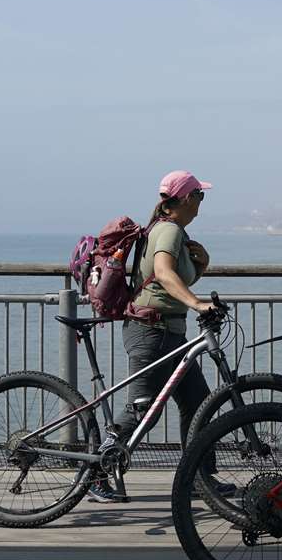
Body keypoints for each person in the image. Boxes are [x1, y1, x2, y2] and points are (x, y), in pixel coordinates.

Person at [87, 170, 234, 504]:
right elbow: (165, 275)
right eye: (199, 195)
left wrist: (201, 267)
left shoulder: (169, 230)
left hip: (169, 332)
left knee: (198, 402)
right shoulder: (168, 230)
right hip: (151, 332)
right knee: (142, 411)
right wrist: (198, 304)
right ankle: (95, 473)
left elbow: (166, 282)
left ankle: (199, 477)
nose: (200, 202)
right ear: (183, 199)